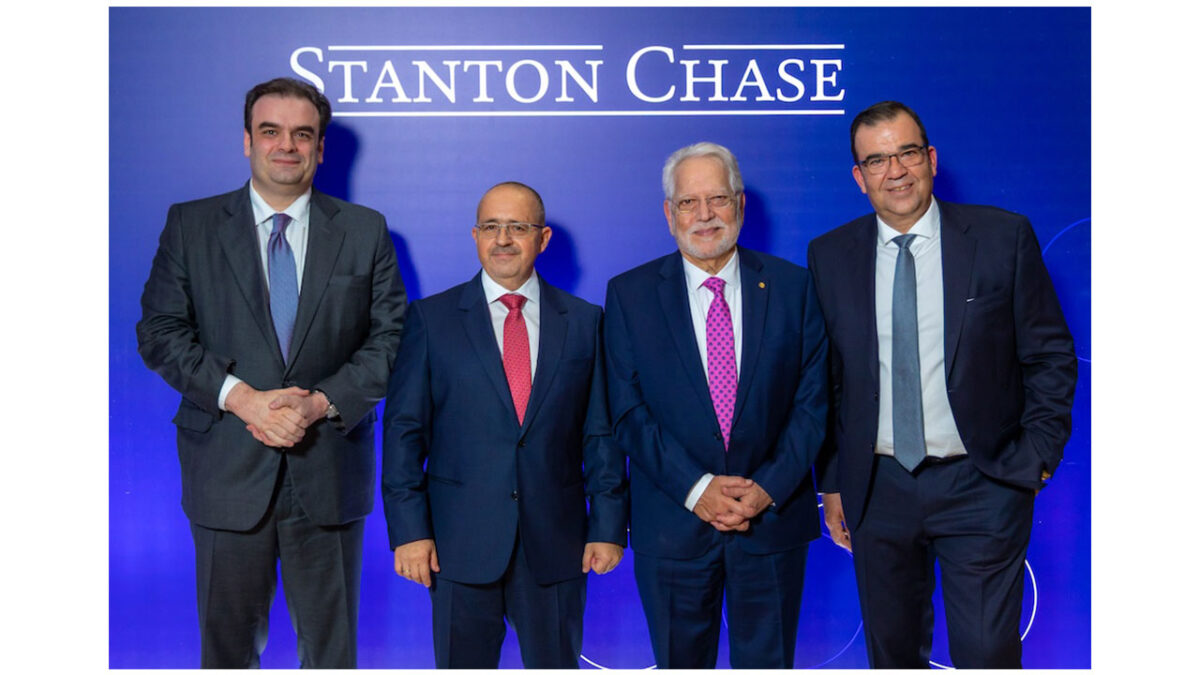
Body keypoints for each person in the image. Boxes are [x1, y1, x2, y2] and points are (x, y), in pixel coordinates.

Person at [136, 77, 407, 668]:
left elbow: (391, 340)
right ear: (247, 141)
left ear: (321, 148)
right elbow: (159, 332)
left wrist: (319, 402)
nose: (286, 145)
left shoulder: (365, 230)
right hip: (226, 473)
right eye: (270, 131)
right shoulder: (191, 225)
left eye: (302, 134)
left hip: (329, 471)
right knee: (227, 655)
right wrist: (243, 399)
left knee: (332, 656)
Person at [806, 100, 1077, 668]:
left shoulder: (1002, 237)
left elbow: (1049, 354)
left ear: (930, 159)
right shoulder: (829, 256)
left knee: (986, 653)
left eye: (907, 153)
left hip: (982, 483)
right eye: (876, 161)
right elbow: (830, 383)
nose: (895, 171)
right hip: (877, 487)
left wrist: (1036, 457)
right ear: (859, 177)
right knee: (893, 656)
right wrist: (831, 482)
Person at [381, 181, 628, 668]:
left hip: (555, 544)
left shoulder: (585, 322)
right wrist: (409, 531)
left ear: (543, 238)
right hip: (457, 546)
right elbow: (404, 433)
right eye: (491, 226)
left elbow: (600, 434)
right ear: (475, 236)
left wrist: (608, 526)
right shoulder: (431, 320)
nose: (503, 239)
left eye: (518, 226)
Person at [603, 142, 828, 668]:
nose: (704, 215)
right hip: (672, 526)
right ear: (669, 213)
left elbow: (814, 402)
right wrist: (697, 488)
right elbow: (627, 411)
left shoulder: (794, 287)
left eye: (718, 199)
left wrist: (767, 487)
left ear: (740, 205)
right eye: (688, 202)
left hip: (771, 522)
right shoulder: (630, 296)